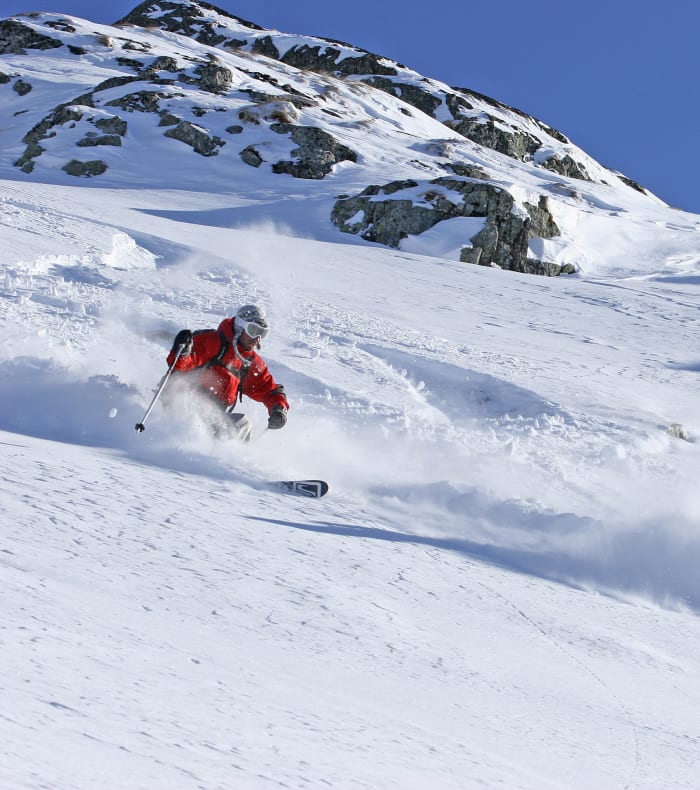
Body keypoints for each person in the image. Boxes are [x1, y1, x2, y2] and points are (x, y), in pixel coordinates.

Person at [166, 304, 288, 441]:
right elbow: (181, 364)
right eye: (253, 330)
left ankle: (229, 457)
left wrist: (278, 408)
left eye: (262, 333)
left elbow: (268, 389)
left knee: (242, 424)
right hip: (181, 402)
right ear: (240, 327)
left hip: (212, 417)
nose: (257, 338)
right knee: (228, 427)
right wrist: (182, 353)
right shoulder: (213, 341)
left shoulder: (248, 362)